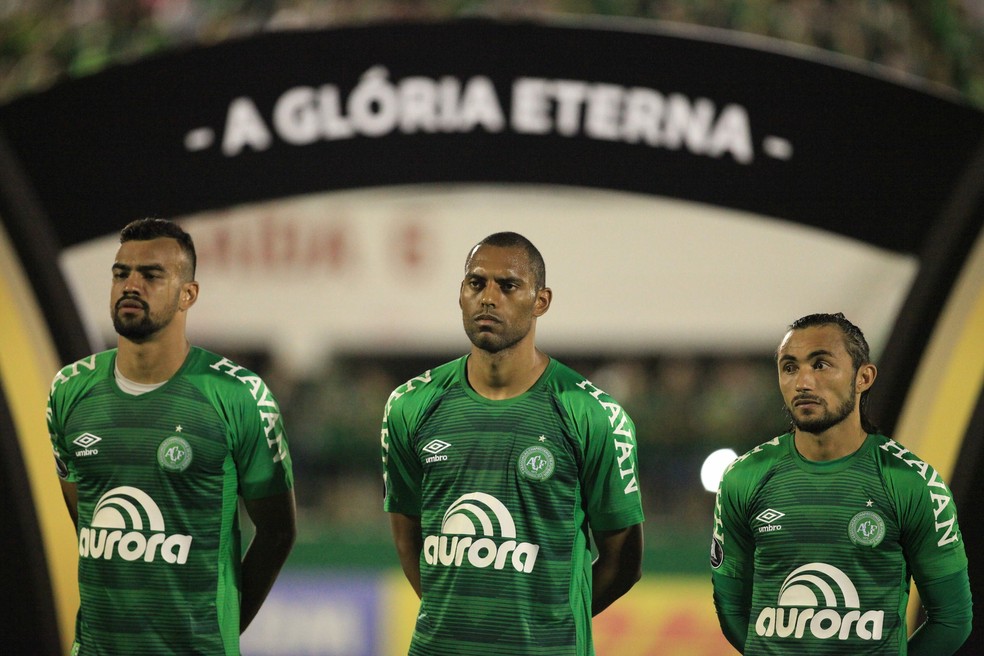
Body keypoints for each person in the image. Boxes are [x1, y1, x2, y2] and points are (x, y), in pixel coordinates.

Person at [381, 231, 644, 655]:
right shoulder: (411, 404)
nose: (488, 297)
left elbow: (623, 563)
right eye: (476, 283)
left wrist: (547, 624)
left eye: (507, 285)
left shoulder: (592, 414)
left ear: (541, 301)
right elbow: (407, 534)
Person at [47, 218, 296, 655]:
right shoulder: (69, 390)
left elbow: (278, 532)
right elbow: (85, 514)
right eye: (121, 273)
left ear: (188, 294)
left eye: (151, 274)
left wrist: (223, 630)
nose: (131, 284)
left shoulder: (238, 396)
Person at [710, 312, 972, 655]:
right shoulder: (744, 477)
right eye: (790, 367)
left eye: (820, 365)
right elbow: (731, 608)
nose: (803, 382)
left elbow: (952, 619)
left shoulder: (913, 483)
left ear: (863, 377)